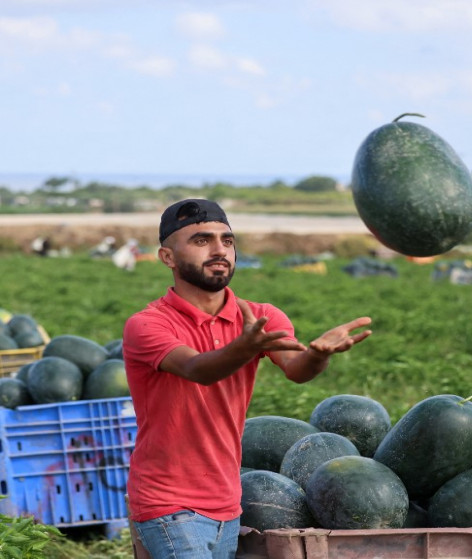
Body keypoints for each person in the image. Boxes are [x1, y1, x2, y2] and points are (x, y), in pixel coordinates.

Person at [122, 199, 373, 559]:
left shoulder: (261, 316)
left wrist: (318, 355)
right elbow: (199, 369)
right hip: (168, 502)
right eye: (201, 240)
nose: (219, 249)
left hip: (227, 502)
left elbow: (296, 370)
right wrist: (244, 345)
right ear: (167, 257)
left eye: (227, 240)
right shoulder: (148, 324)